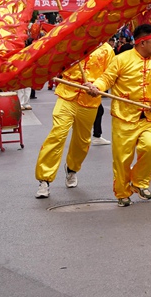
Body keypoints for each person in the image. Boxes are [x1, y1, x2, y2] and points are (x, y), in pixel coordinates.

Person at [85, 24, 151, 207]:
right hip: (124, 117)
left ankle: (139, 182)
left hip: (149, 116)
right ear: (142, 42)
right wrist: (97, 87)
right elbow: (106, 78)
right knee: (122, 158)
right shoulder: (121, 59)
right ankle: (122, 192)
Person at [35, 42, 115, 198]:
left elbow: (110, 75)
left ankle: (72, 168)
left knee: (82, 140)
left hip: (90, 100)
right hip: (67, 94)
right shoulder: (71, 42)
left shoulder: (107, 49)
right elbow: (54, 62)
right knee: (57, 135)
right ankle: (44, 180)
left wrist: (98, 86)